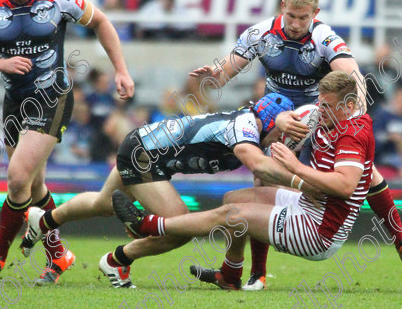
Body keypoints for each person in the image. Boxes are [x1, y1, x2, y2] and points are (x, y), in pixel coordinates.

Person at [189, 0, 402, 291]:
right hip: (278, 121)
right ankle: (258, 274)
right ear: (282, 8)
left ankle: (401, 240)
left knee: (365, 171)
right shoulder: (260, 34)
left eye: (303, 18)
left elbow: (353, 75)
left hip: (317, 118)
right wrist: (213, 74)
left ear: (314, 14)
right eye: (291, 16)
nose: (296, 23)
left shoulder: (324, 38)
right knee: (263, 181)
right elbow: (225, 71)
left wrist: (353, 108)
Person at [0, 0, 134, 285]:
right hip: (15, 100)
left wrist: (121, 70)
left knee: (17, 178)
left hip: (53, 96)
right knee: (34, 184)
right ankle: (59, 255)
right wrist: (0, 64)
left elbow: (101, 21)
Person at [111, 72, 375, 290]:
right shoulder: (333, 120)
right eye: (320, 103)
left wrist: (296, 170)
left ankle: (146, 225)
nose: (320, 110)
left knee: (231, 214)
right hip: (309, 207)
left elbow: (346, 186)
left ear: (348, 107)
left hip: (318, 231)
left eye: (326, 106)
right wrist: (285, 125)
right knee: (234, 199)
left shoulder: (352, 134)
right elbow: (294, 126)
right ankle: (230, 274)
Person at [21, 92, 297, 288]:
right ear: (270, 121)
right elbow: (259, 166)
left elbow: (262, 179)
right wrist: (303, 181)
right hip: (144, 155)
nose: (281, 138)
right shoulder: (246, 126)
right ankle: (117, 260)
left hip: (145, 147)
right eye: (281, 131)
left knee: (102, 204)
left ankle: (43, 220)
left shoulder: (250, 126)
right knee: (178, 226)